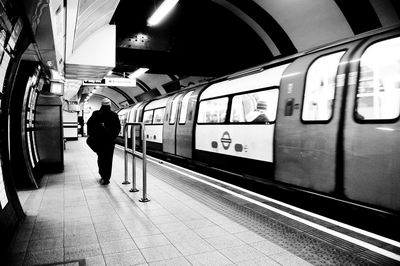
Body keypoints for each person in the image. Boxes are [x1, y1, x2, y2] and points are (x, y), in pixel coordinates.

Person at [87, 98, 121, 185]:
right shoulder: (114, 115)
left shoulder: (96, 114)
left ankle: (102, 175)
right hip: (109, 142)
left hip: (99, 141)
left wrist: (93, 135)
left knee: (101, 158)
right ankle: (107, 178)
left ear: (101, 105)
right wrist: (112, 137)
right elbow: (118, 128)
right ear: (109, 105)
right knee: (109, 160)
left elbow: (89, 125)